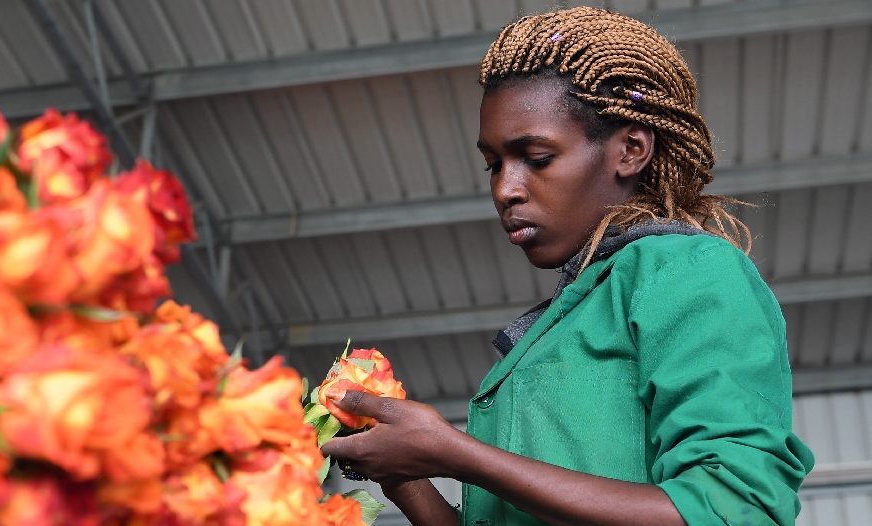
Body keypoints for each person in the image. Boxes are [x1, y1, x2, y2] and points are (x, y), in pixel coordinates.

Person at [320, 7, 814, 526]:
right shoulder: (561, 321)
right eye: (493, 165)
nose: (504, 189)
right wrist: (406, 474)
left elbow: (735, 510)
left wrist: (455, 453)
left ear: (630, 150)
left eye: (534, 157)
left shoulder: (688, 271)